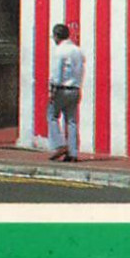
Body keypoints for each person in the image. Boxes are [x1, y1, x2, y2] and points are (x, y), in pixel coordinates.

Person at [46, 23, 84, 162]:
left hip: (62, 88)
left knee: (52, 116)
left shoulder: (59, 51)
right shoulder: (77, 50)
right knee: (72, 121)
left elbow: (56, 72)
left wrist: (52, 90)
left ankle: (59, 144)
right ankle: (73, 152)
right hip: (75, 88)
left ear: (57, 36)